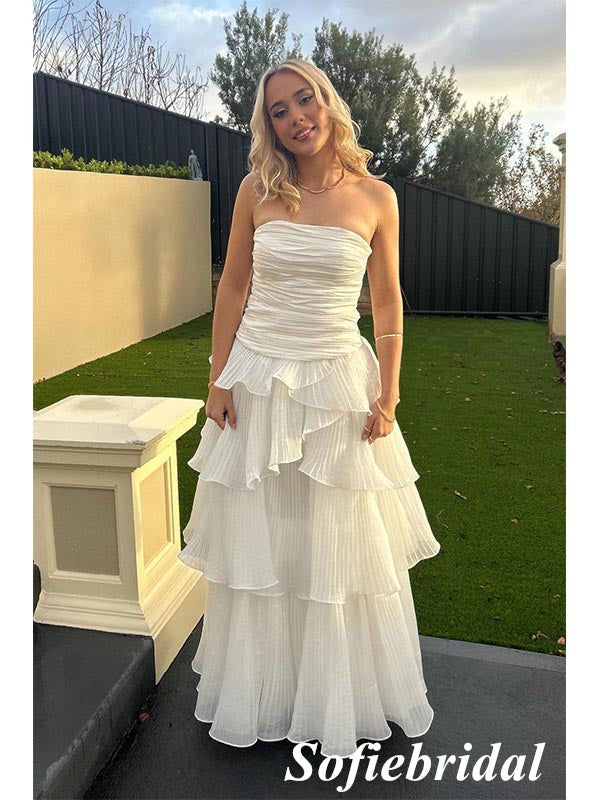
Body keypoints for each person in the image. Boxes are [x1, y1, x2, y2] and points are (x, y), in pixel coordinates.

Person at [178, 57, 441, 759]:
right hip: (258, 383)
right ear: (268, 126)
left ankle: (335, 697)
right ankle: (267, 690)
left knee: (336, 544)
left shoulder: (377, 197)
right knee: (264, 540)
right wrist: (218, 379)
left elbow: (387, 301)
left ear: (327, 102)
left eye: (304, 100)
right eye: (279, 111)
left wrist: (389, 391)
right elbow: (233, 285)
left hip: (337, 388)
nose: (296, 118)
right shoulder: (256, 190)